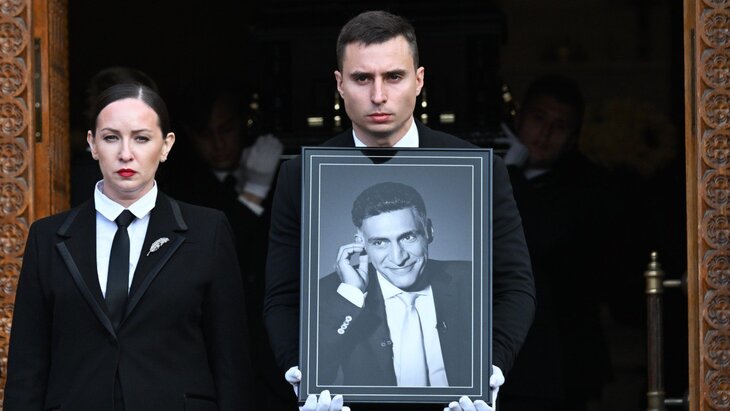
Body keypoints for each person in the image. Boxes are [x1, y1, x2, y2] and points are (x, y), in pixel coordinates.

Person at [263, 10, 535, 411]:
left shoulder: (479, 169)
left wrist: (490, 368)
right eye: (362, 78)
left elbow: (515, 286)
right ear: (339, 84)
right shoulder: (299, 176)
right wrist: (298, 371)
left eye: (393, 76)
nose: (378, 95)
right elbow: (282, 297)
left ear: (419, 80)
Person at [4, 83, 253, 411]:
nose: (125, 153)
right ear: (92, 144)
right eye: (111, 138)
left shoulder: (207, 232)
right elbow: (27, 367)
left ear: (166, 146)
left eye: (141, 138)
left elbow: (231, 362)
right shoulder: (47, 238)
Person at [161, 83, 292, 408]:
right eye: (205, 134)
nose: (218, 144)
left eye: (226, 130)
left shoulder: (283, 179)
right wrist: (252, 193)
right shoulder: (177, 189)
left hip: (274, 355)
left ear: (244, 124)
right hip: (213, 354)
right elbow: (206, 251)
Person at [499, 74, 616, 410]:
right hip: (506, 357)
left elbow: (541, 237)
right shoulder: (494, 168)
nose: (545, 133)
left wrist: (510, 172)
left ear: (572, 139)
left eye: (559, 126)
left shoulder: (590, 186)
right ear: (519, 119)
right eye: (538, 118)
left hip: (563, 360)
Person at [318, 181, 473, 387]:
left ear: (428, 231)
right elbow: (314, 375)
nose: (398, 258)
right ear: (361, 243)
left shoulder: (473, 280)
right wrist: (352, 296)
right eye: (380, 242)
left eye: (408, 237)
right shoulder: (331, 294)